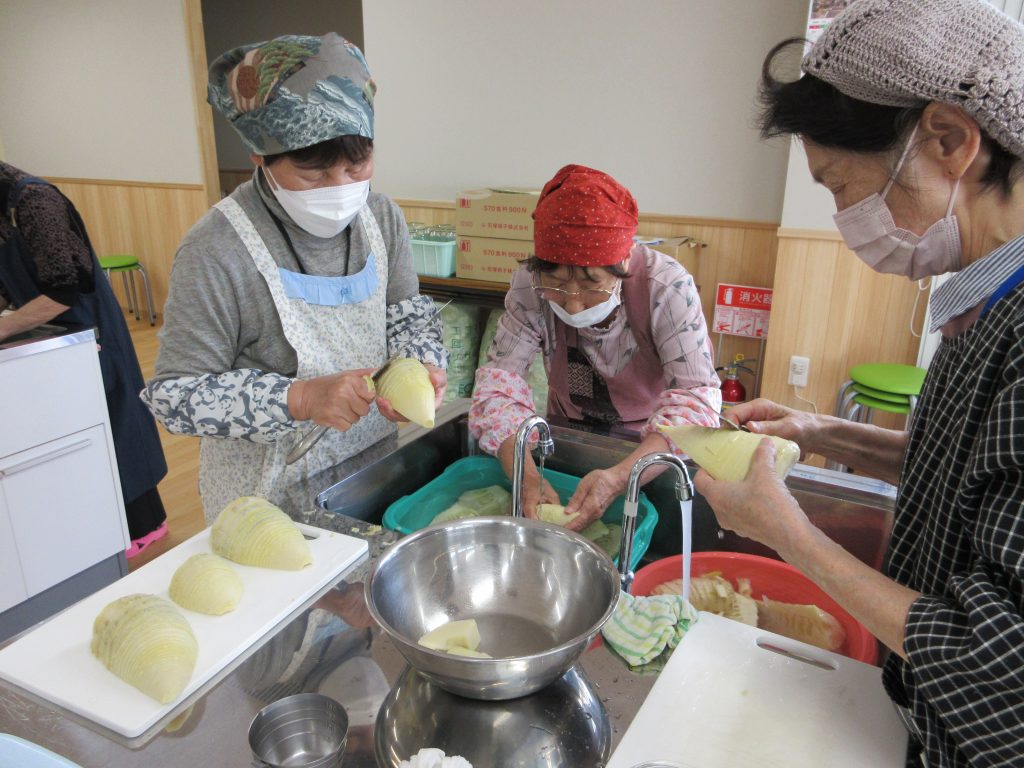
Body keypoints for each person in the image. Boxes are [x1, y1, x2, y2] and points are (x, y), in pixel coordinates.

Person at [695, 2, 1024, 766]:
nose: (847, 217)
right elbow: (962, 475)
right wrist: (825, 433)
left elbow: (1002, 676)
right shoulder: (985, 301)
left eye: (844, 186)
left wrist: (787, 534)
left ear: (949, 140)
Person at [143, 33, 448, 522]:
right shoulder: (217, 250)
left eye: (358, 165)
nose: (342, 189)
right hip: (265, 501)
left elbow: (410, 319)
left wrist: (420, 367)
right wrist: (300, 397)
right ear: (260, 156)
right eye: (314, 175)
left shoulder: (380, 217)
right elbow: (176, 398)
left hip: (371, 473)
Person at [470, 164, 721, 530]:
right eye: (556, 284)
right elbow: (498, 388)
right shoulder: (529, 285)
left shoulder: (666, 289)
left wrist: (621, 477)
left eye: (591, 285)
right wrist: (527, 477)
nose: (572, 304)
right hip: (564, 437)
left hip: (649, 448)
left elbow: (696, 399)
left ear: (622, 261)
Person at [0, 162, 168, 557]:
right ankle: (98, 521)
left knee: (115, 421)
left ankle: (146, 525)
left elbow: (66, 289)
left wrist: (5, 328)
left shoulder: (35, 201)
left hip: (88, 328)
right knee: (73, 431)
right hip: (49, 332)